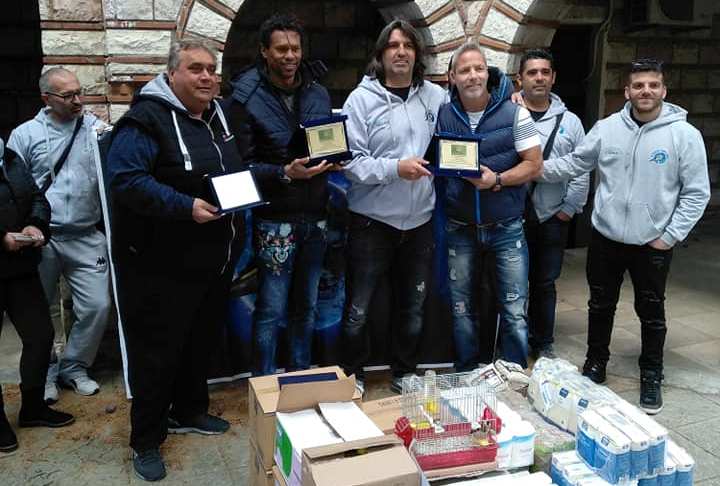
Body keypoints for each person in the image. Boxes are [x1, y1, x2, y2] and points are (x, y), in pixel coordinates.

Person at [107, 40, 246, 481]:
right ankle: (146, 441)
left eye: (211, 69)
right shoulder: (144, 120)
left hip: (212, 259)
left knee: (198, 343)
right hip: (159, 266)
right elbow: (126, 179)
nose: (207, 77)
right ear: (172, 75)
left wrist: (281, 174)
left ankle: (190, 410)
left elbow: (234, 172)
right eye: (195, 69)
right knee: (157, 356)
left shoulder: (217, 115)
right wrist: (184, 207)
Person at [542, 59, 710, 414]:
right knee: (600, 305)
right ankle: (595, 363)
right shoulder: (606, 129)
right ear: (627, 91)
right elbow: (574, 163)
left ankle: (651, 374)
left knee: (651, 312)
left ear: (663, 90)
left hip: (652, 242)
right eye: (638, 85)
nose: (645, 91)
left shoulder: (684, 135)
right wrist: (531, 169)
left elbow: (697, 193)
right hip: (606, 237)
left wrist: (669, 236)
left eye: (653, 85)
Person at [340, 19, 446, 394]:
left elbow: (466, 119)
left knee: (413, 305)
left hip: (419, 222)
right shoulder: (360, 100)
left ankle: (404, 372)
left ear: (417, 55)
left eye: (408, 46)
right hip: (371, 222)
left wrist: (509, 96)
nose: (401, 52)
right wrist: (395, 169)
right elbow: (350, 163)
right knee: (359, 308)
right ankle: (352, 375)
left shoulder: (436, 97)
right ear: (381, 54)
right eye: (393, 45)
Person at [227, 13, 333, 376]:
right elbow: (240, 166)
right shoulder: (245, 97)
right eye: (281, 49)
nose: (290, 56)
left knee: (307, 307)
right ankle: (264, 385)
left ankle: (300, 380)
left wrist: (336, 159)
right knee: (271, 310)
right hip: (274, 220)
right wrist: (284, 173)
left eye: (295, 48)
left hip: (316, 216)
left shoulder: (318, 91)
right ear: (264, 51)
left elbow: (326, 141)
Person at [436, 42, 542, 371]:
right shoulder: (443, 114)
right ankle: (467, 374)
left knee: (514, 310)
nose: (473, 76)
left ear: (488, 73)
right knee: (461, 308)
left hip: (506, 227)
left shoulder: (515, 112)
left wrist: (496, 180)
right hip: (460, 227)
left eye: (478, 68)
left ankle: (513, 377)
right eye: (464, 70)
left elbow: (534, 165)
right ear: (452, 77)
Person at [8, 67, 111, 403]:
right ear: (47, 98)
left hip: (86, 233)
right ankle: (47, 373)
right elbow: (13, 187)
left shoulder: (94, 128)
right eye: (68, 96)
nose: (77, 100)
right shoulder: (25, 135)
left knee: (97, 305)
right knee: (44, 311)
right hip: (43, 239)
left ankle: (75, 366)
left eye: (79, 93)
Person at [1, 138, 75, 455]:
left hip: (20, 267)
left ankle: (32, 407)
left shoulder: (10, 157)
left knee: (41, 336)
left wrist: (35, 224)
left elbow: (36, 197)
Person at [516, 49, 589, 360]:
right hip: (513, 216)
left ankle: (542, 341)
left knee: (544, 283)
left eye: (545, 72)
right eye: (532, 72)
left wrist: (568, 210)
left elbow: (582, 167)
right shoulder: (508, 114)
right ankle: (512, 341)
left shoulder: (570, 122)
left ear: (554, 77)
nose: (539, 78)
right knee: (512, 283)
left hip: (551, 217)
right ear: (520, 79)